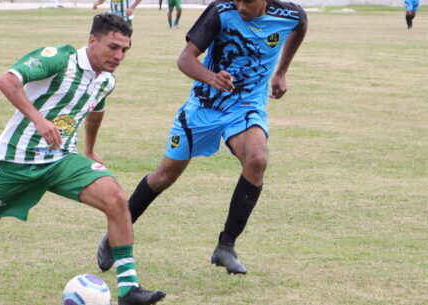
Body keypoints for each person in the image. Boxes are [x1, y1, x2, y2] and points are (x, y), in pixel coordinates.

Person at [0, 13, 166, 305]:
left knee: (116, 198)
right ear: (92, 41)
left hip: (62, 160)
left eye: (125, 50)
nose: (119, 55)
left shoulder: (107, 81)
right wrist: (38, 120)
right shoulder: (60, 59)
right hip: (18, 160)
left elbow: (96, 110)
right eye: (113, 47)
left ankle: (128, 289)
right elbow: (7, 81)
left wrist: (89, 148)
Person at [96, 0, 307, 275]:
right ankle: (114, 237)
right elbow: (185, 59)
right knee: (163, 176)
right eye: (237, 0)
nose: (241, 6)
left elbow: (300, 27)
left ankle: (226, 247)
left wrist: (280, 72)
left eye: (247, 0)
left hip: (245, 105)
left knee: (257, 159)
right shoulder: (221, 12)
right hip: (203, 106)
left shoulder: (290, 15)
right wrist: (211, 78)